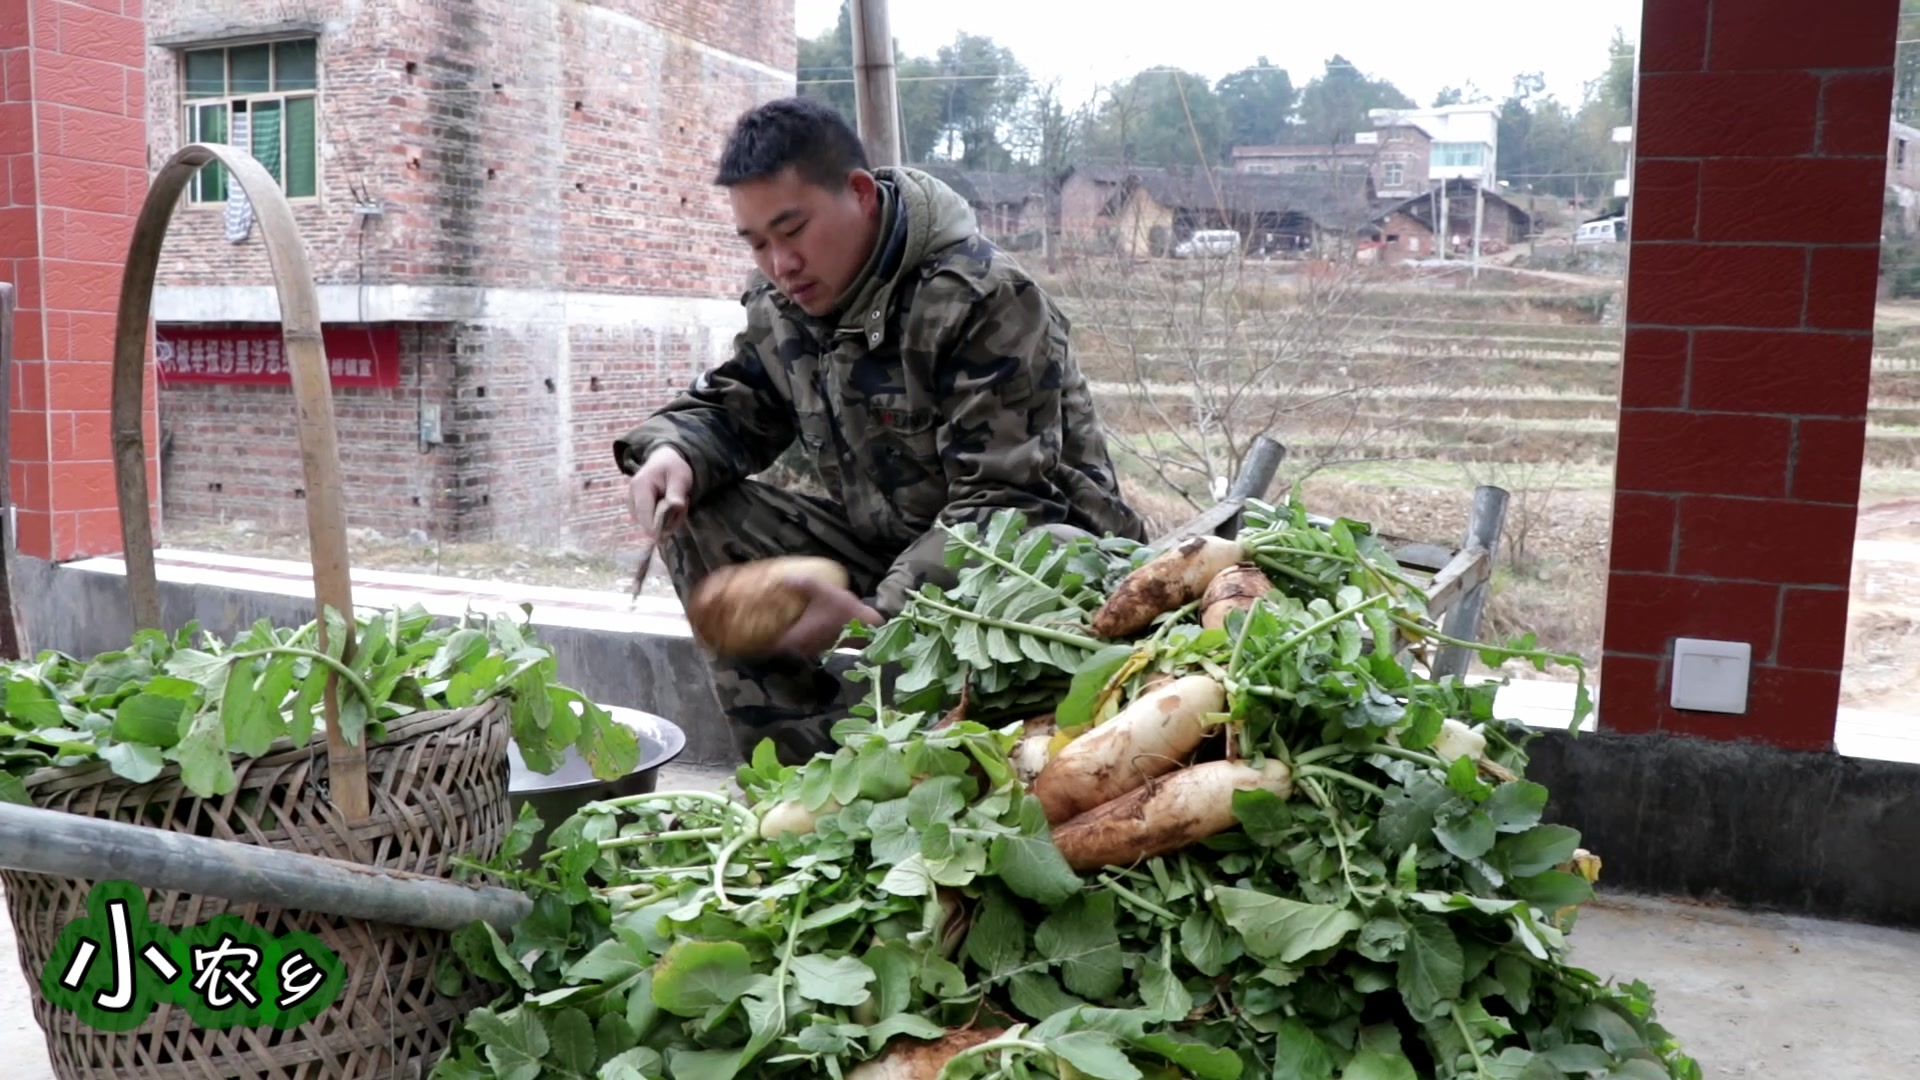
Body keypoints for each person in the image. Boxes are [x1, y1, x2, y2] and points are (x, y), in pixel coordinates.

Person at [615, 96, 1145, 765]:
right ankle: (793, 786)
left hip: (1034, 580)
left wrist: (876, 615)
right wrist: (673, 452)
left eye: (793, 230)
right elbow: (742, 399)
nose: (781, 264)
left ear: (860, 194)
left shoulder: (981, 298)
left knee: (1051, 545)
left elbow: (1005, 511)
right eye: (757, 244)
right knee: (702, 512)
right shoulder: (787, 302)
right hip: (895, 546)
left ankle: (923, 773)